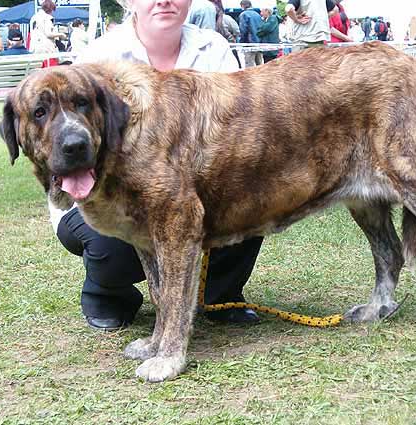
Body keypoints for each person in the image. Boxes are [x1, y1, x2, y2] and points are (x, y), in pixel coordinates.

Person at [51, 0, 264, 331]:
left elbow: (236, 135)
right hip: (101, 194)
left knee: (246, 192)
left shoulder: (215, 49)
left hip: (192, 188)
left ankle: (222, 295)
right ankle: (108, 294)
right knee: (116, 247)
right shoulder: (98, 56)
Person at [239, 0, 263, 67]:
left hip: (249, 43)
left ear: (242, 6)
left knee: (249, 65)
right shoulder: (257, 14)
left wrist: (242, 43)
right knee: (260, 65)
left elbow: (243, 30)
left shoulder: (244, 15)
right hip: (259, 43)